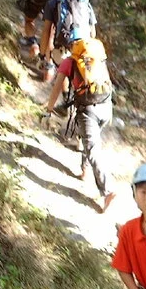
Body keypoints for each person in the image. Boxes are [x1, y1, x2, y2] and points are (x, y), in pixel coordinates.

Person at [43, 38, 115, 206]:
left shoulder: (69, 62)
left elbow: (56, 88)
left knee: (92, 148)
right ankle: (85, 170)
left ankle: (108, 190)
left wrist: (48, 111)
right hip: (106, 106)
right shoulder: (97, 57)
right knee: (89, 140)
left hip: (88, 109)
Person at [39, 0, 96, 79]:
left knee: (62, 64)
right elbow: (93, 33)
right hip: (83, 49)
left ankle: (63, 92)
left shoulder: (52, 3)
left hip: (63, 51)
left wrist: (42, 56)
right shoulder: (84, 1)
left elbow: (46, 32)